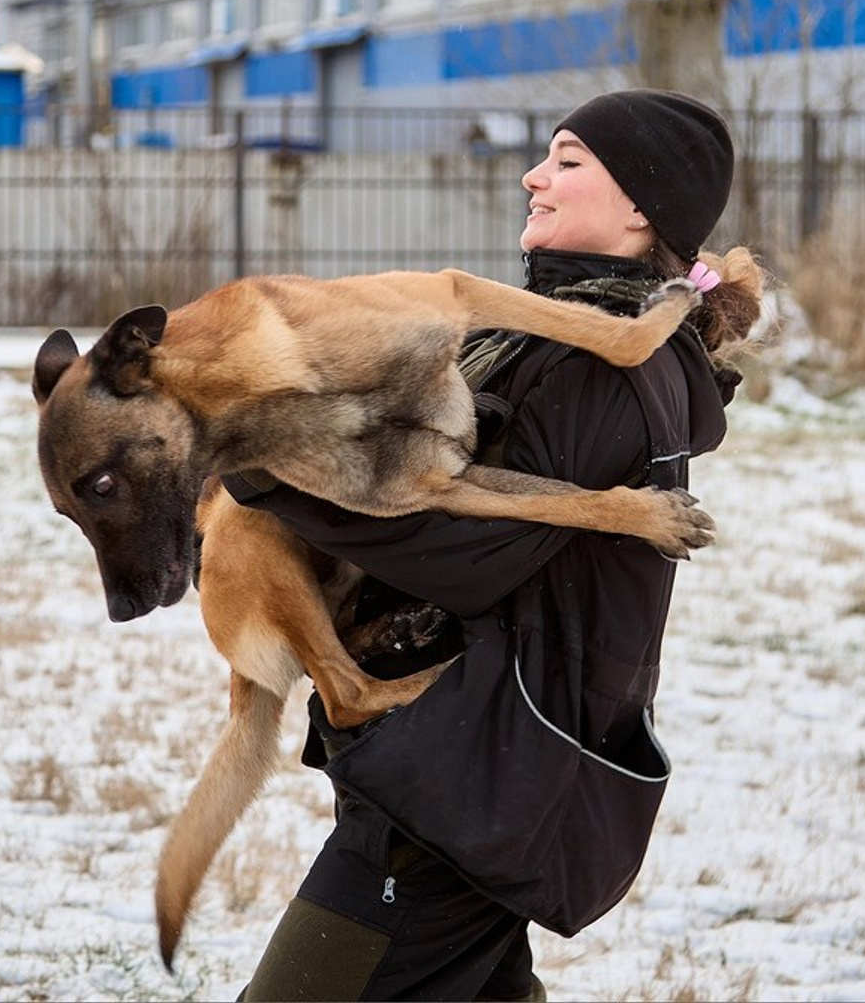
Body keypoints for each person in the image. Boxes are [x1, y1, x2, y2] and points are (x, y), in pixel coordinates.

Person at [222, 89, 766, 1002]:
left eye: (567, 160)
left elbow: (480, 552)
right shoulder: (569, 336)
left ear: (639, 206)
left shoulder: (596, 366)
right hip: (482, 757)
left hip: (469, 776)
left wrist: (273, 474)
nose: (534, 175)